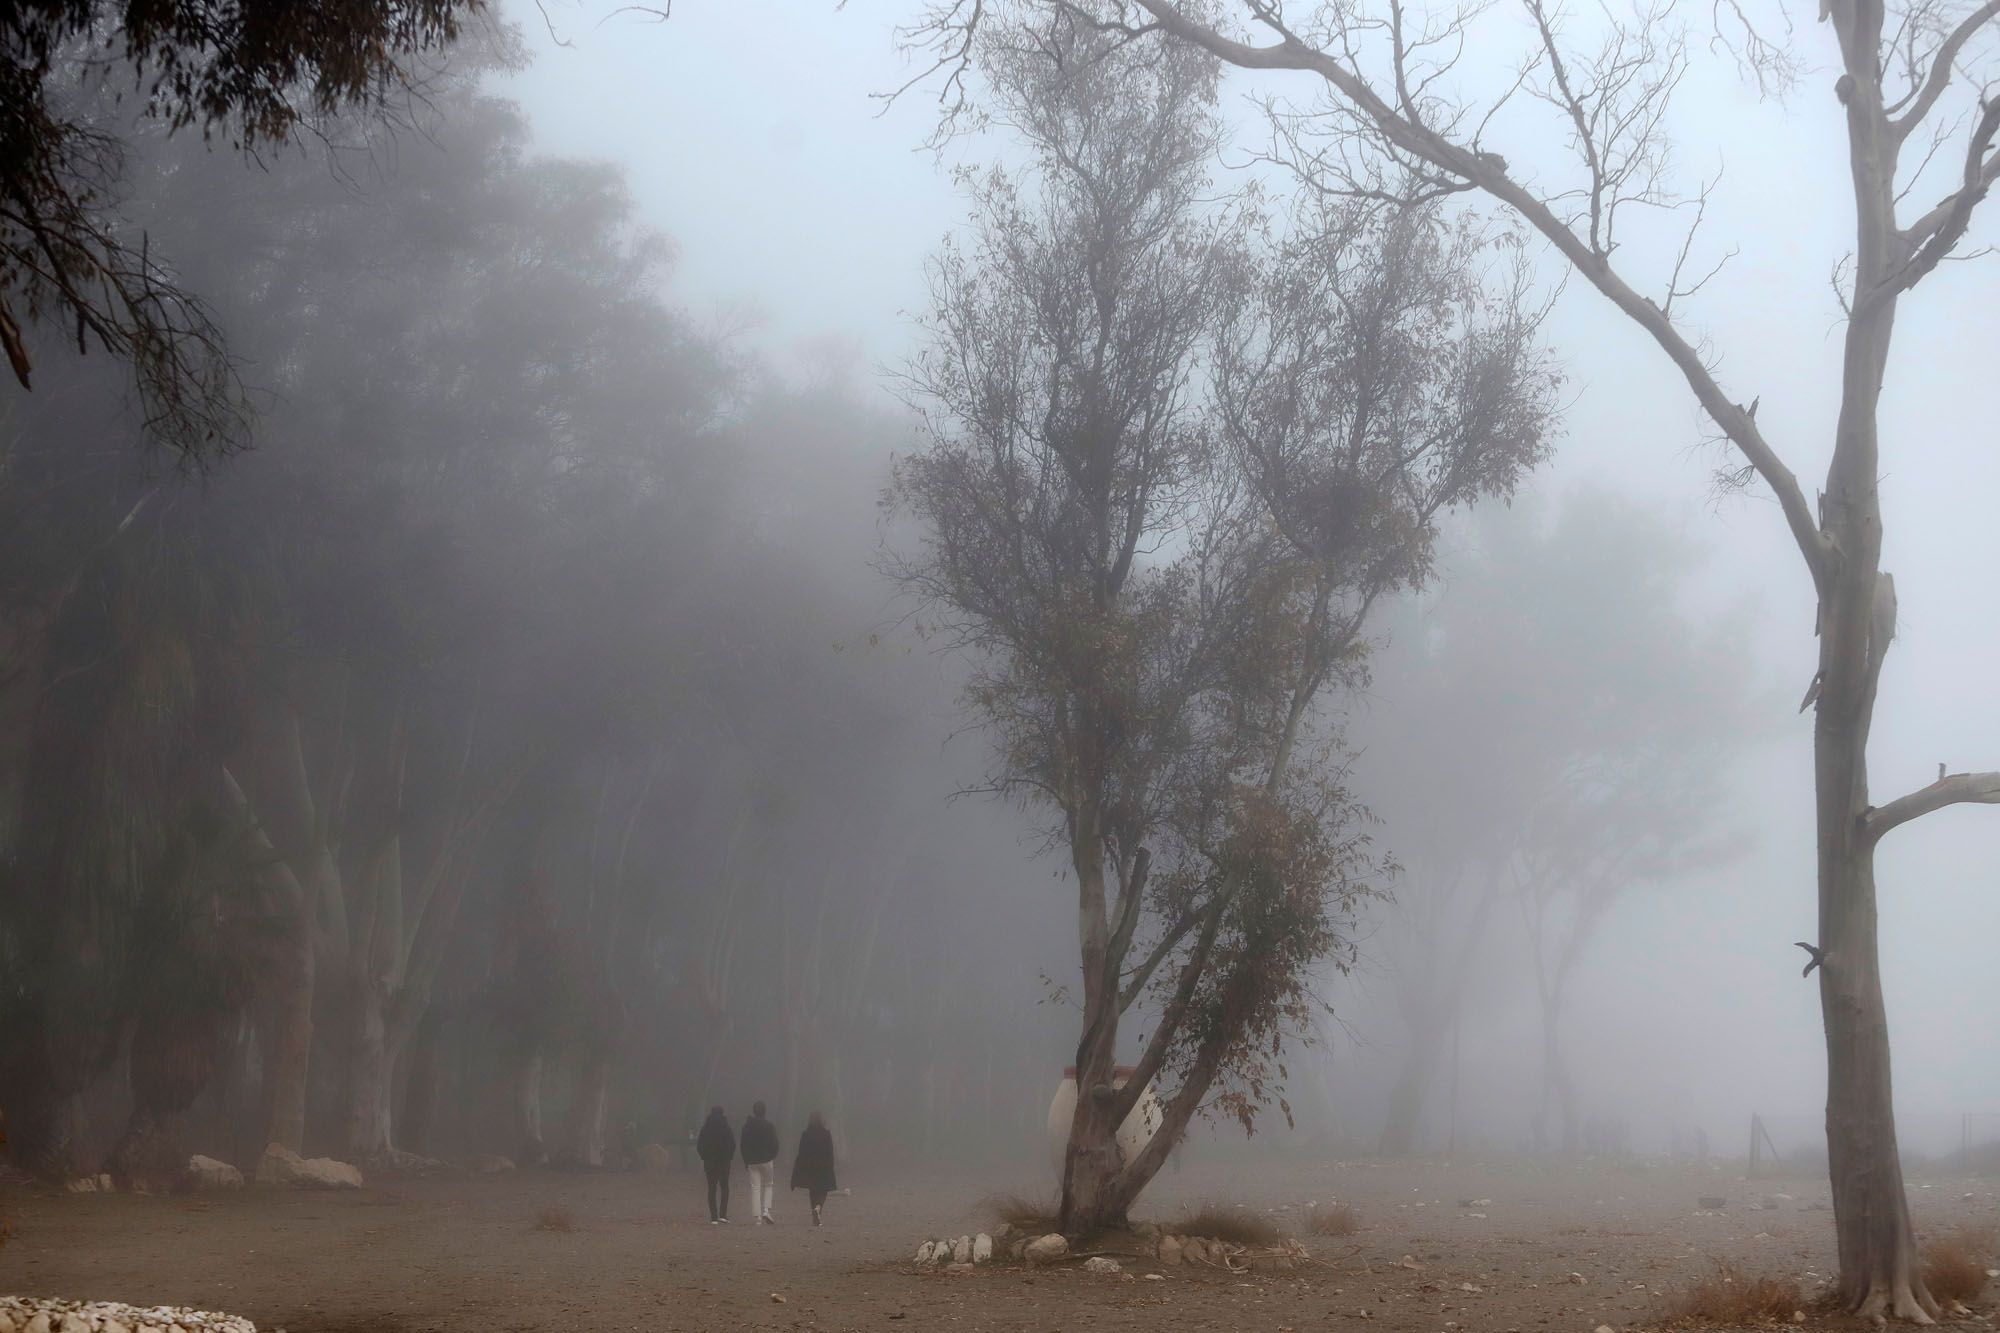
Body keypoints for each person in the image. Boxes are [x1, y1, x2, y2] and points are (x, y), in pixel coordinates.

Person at [790, 1110, 837, 1227]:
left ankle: (814, 1212)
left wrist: (799, 1168)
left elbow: (801, 1152)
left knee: (813, 1190)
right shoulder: (826, 1134)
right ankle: (818, 1207)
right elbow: (830, 1151)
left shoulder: (806, 1134)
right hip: (823, 1166)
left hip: (809, 1166)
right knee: (823, 1190)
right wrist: (831, 1165)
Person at [740, 1100, 779, 1225]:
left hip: (752, 1161)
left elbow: (743, 1145)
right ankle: (766, 1210)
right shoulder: (769, 1126)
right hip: (767, 1160)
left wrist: (746, 1160)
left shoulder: (747, 1126)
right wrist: (772, 1156)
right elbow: (775, 1144)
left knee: (755, 1187)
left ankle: (757, 1217)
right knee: (768, 1184)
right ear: (764, 1111)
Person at [696, 1105, 735, 1224]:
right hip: (724, 1162)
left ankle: (713, 1217)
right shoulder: (726, 1127)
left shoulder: (705, 1128)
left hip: (710, 1162)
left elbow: (699, 1145)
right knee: (724, 1187)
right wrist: (729, 1157)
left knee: (711, 1189)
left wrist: (704, 1157)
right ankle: (723, 1215)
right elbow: (732, 1144)